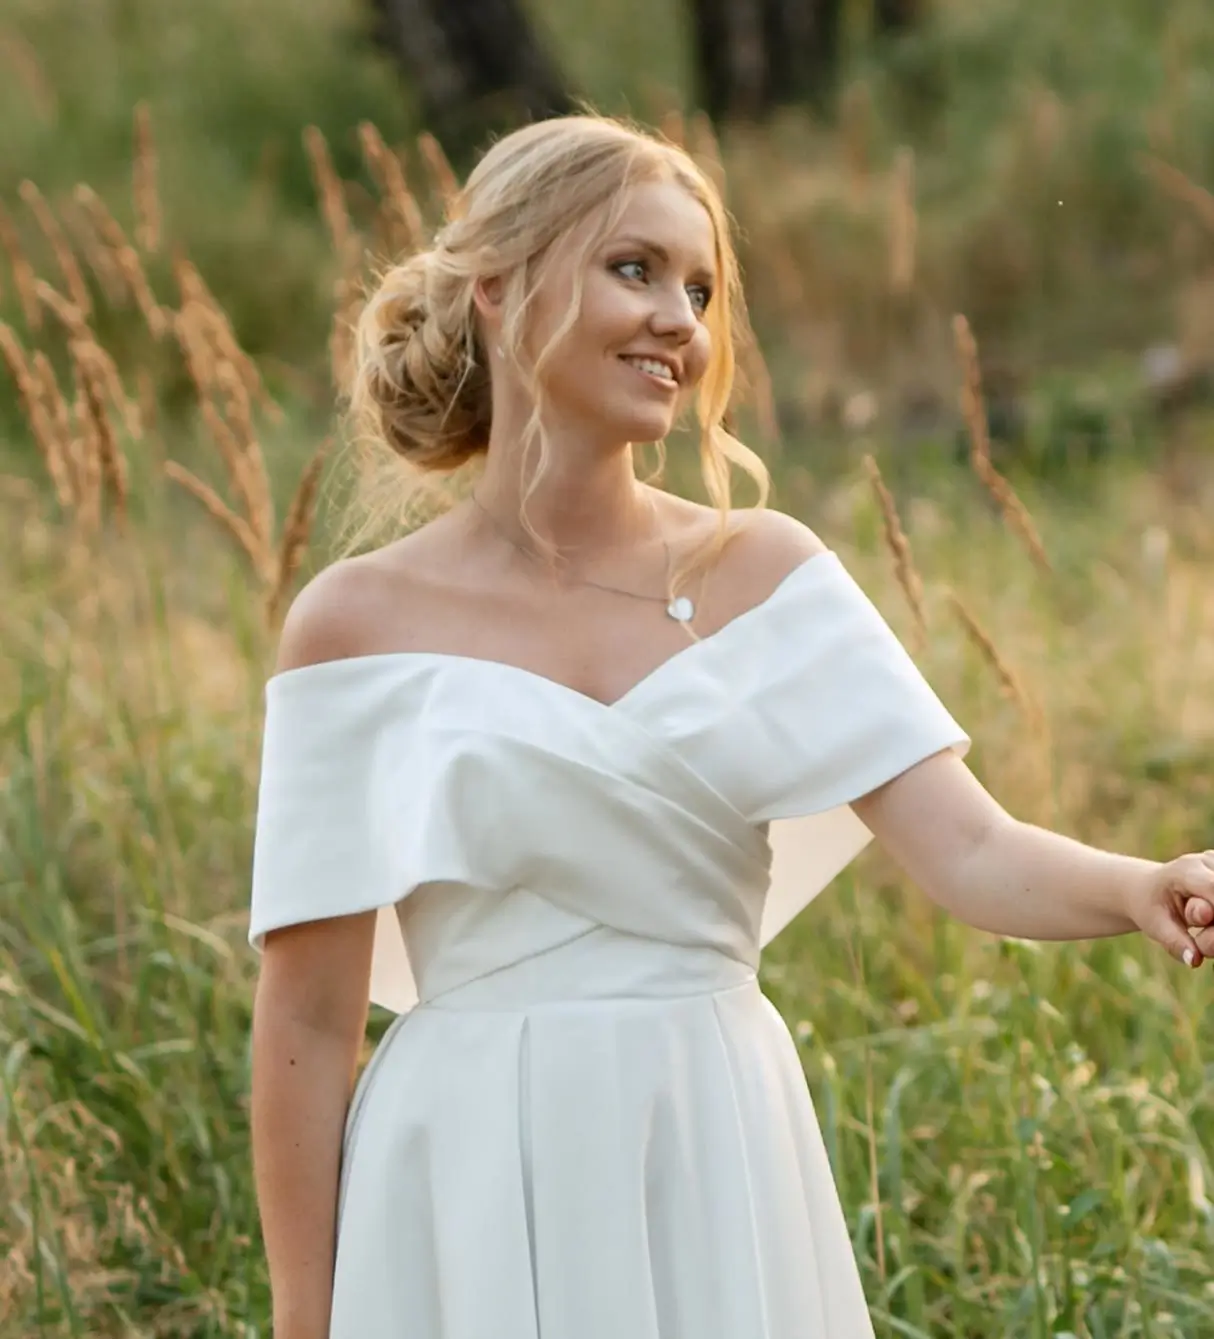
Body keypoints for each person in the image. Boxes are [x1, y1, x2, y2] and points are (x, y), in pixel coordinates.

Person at [247, 113, 1214, 1339]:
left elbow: (972, 850)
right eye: (633, 269)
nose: (679, 322)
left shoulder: (768, 575)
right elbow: (309, 1019)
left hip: (707, 1133)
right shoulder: (354, 623)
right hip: (463, 1164)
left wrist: (1142, 885)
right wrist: (304, 1317)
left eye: (700, 288)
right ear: (496, 288)